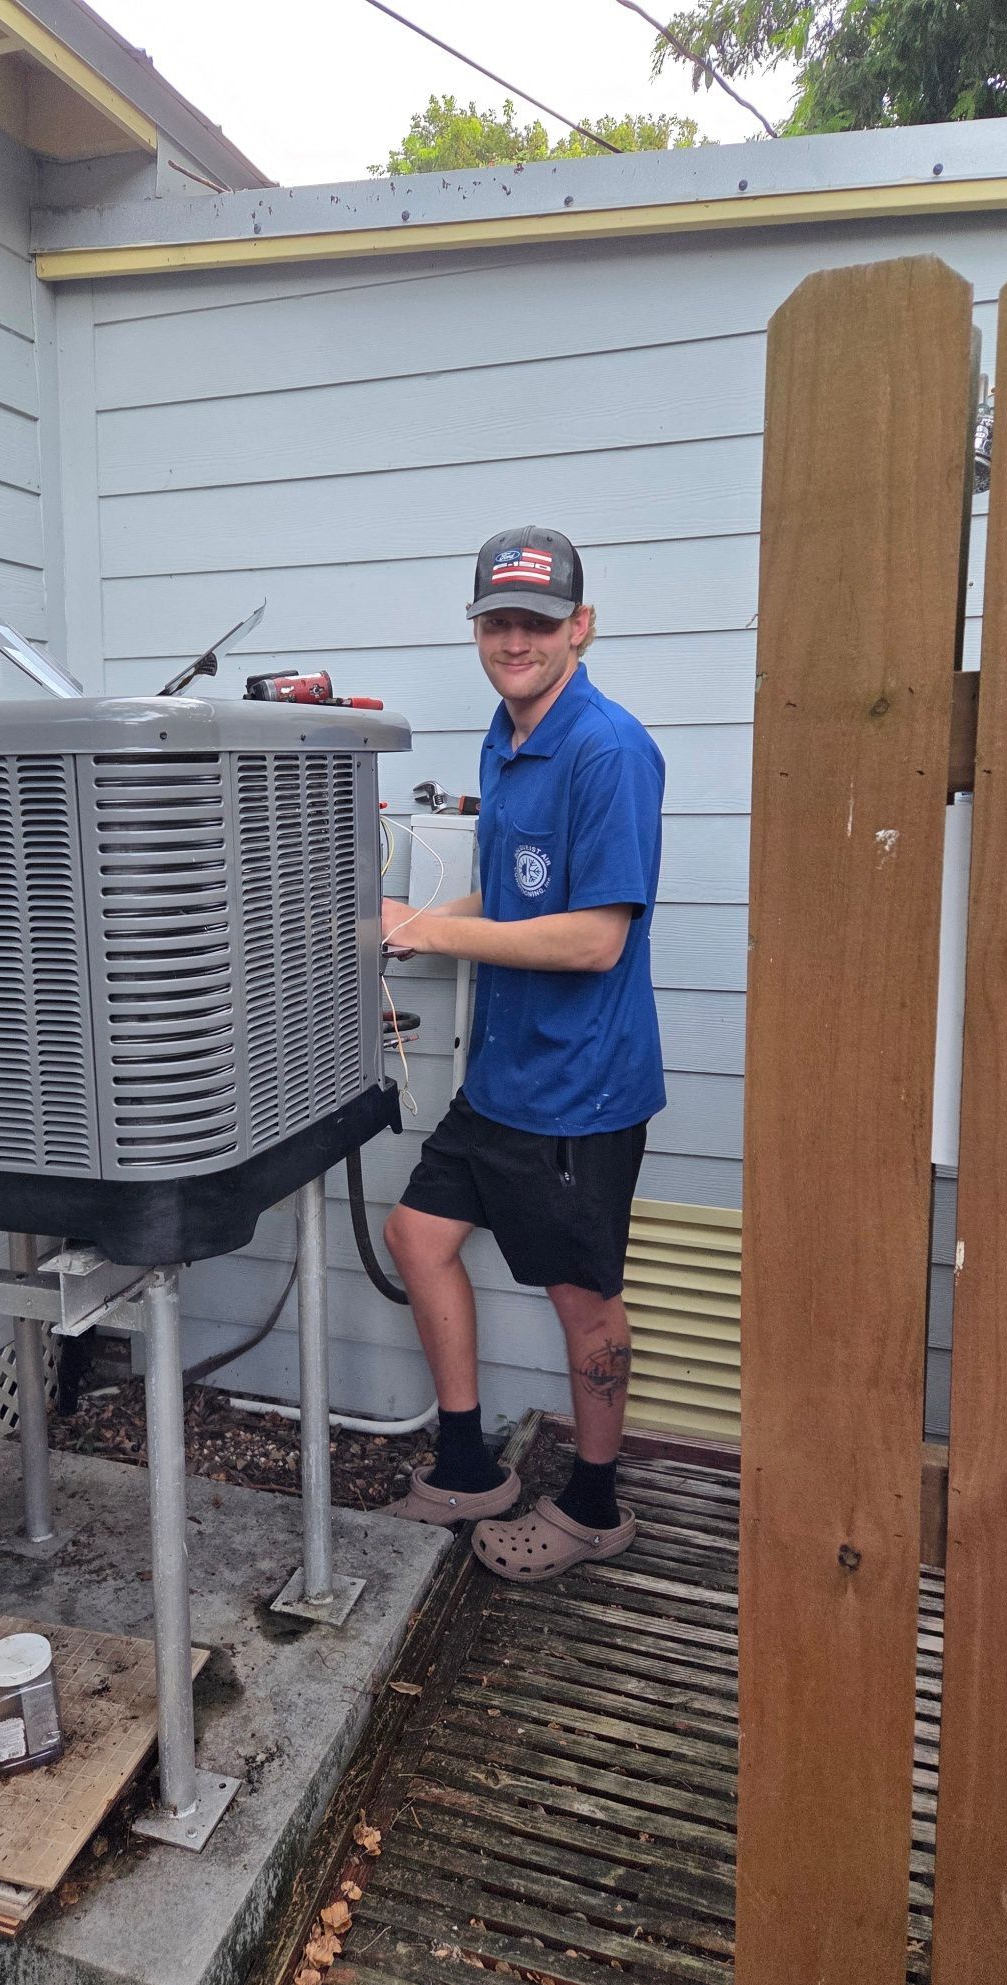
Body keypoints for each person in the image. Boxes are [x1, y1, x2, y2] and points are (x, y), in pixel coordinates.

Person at [379, 526, 666, 1578]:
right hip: (502, 1075)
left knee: (582, 1298)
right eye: (498, 620)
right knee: (417, 1237)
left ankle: (595, 1505)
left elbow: (595, 937)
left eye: (537, 622)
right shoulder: (507, 738)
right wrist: (398, 919)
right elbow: (510, 896)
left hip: (578, 1092)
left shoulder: (608, 749)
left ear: (579, 627)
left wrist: (425, 926)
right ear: (479, 629)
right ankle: (467, 1466)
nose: (516, 638)